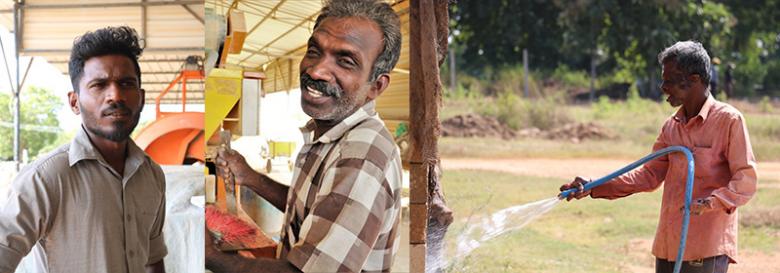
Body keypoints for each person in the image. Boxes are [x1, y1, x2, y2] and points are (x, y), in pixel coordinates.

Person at [206, 0, 404, 272]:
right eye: (314, 51)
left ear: (376, 86)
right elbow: (313, 208)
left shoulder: (362, 153)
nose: (315, 70)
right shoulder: (331, 132)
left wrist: (210, 255)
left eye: (345, 61)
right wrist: (249, 176)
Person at [560, 41, 757, 273]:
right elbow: (648, 174)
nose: (663, 87)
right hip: (668, 245)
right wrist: (594, 185)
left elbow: (746, 180)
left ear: (694, 80)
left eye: (670, 80)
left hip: (705, 247)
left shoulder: (728, 120)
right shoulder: (671, 126)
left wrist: (709, 203)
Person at [0, 26, 167, 273]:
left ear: (141, 97)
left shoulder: (152, 175)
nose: (115, 95)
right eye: (99, 85)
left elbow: (152, 259)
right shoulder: (46, 177)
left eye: (126, 83)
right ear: (74, 102)